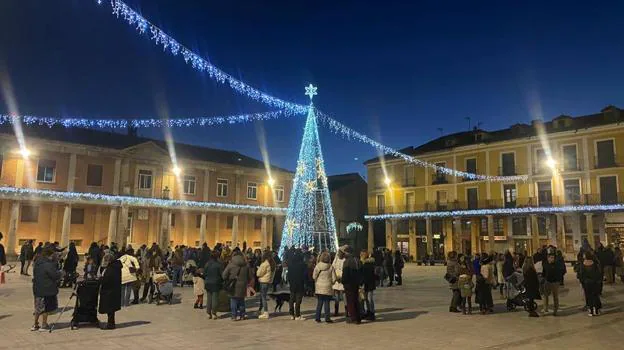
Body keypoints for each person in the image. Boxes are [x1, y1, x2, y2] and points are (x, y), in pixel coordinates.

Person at [31, 247, 62, 331]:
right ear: (50, 255)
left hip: (37, 288)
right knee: (46, 308)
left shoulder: (38, 263)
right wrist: (60, 273)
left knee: (37, 308)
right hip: (46, 288)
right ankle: (44, 324)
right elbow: (55, 275)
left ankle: (35, 324)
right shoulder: (48, 264)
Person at [222, 249, 253, 321]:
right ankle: (242, 315)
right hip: (243, 285)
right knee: (241, 300)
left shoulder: (231, 264)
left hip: (233, 285)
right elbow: (250, 276)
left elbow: (224, 275)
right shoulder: (246, 265)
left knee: (233, 300)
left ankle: (234, 316)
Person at [99, 253, 122, 329]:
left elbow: (108, 279)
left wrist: (100, 279)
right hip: (112, 290)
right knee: (110, 309)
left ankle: (111, 324)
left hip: (110, 291)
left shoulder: (112, 268)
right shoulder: (114, 267)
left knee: (110, 309)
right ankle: (111, 323)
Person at [313, 251, 337, 323]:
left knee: (319, 302)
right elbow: (334, 278)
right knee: (327, 303)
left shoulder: (317, 266)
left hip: (319, 287)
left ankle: (317, 317)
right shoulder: (331, 267)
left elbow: (314, 276)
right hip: (328, 287)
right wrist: (332, 283)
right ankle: (327, 318)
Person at [342, 246, 362, 324]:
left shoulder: (347, 262)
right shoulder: (357, 260)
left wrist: (343, 282)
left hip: (349, 284)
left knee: (350, 301)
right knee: (356, 300)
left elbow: (345, 274)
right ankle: (358, 316)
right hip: (356, 283)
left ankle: (353, 317)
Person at [580, 251, 603, 316]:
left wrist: (583, 281)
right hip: (595, 282)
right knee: (595, 296)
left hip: (587, 283)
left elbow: (581, 274)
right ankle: (596, 310)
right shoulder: (595, 263)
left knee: (589, 297)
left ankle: (591, 311)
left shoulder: (583, 264)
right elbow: (598, 273)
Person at [287, 249, 306, 320]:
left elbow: (288, 275)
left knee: (291, 299)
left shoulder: (291, 264)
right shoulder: (303, 264)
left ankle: (292, 314)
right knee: (298, 300)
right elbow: (305, 275)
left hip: (292, 283)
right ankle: (297, 315)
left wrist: (289, 281)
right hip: (300, 283)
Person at [204, 250, 224, 319]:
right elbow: (222, 275)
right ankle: (214, 313)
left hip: (208, 283)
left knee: (209, 298)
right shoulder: (218, 265)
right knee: (215, 299)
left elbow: (204, 273)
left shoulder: (207, 264)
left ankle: (208, 313)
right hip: (216, 283)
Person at [256, 251, 275, 319]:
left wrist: (258, 269)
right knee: (263, 297)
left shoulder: (265, 264)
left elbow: (259, 274)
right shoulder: (272, 263)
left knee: (263, 297)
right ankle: (261, 310)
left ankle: (266, 312)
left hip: (263, 281)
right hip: (268, 282)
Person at [360, 250, 377, 320]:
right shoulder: (369, 263)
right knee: (367, 299)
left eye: (361, 255)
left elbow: (365, 274)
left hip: (368, 283)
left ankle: (371, 313)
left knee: (369, 299)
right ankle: (369, 312)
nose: (360, 256)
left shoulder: (366, 264)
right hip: (369, 283)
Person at [332, 248, 346, 316]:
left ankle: (347, 310)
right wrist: (335, 277)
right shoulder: (336, 259)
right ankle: (336, 311)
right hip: (336, 278)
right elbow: (333, 267)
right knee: (336, 297)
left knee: (344, 296)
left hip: (342, 278)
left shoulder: (345, 260)